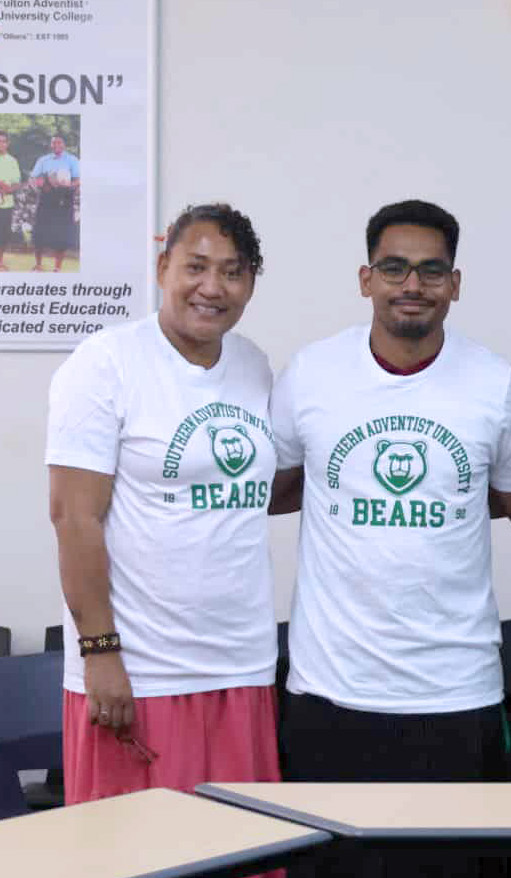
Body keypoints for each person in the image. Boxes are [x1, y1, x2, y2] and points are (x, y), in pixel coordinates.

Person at [270, 199, 511, 877]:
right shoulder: (311, 373)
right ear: (365, 278)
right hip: (328, 695)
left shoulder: (494, 384)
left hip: (454, 696)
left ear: (455, 284)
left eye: (432, 271)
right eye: (395, 267)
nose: (413, 285)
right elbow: (276, 489)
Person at [46, 203, 280, 805]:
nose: (212, 287)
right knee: (134, 857)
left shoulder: (254, 366)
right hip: (140, 673)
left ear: (252, 282)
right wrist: (101, 657)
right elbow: (74, 518)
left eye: (232, 271)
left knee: (243, 849)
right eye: (195, 266)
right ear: (162, 267)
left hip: (240, 666)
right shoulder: (105, 364)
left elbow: (251, 492)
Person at [29, 134, 80, 272]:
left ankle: (57, 267)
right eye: (53, 143)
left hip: (64, 200)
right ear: (50, 145)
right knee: (40, 232)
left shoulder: (72, 160)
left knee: (61, 235)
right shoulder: (43, 160)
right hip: (46, 198)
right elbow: (34, 179)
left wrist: (67, 185)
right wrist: (41, 184)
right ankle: (38, 265)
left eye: (59, 142)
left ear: (64, 144)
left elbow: (78, 180)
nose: (56, 145)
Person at [0, 133, 21, 270]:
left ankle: (0, 263)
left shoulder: (12, 161)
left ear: (7, 143)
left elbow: (17, 184)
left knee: (2, 234)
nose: (0, 144)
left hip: (6, 204)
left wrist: (7, 189)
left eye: (3, 141)